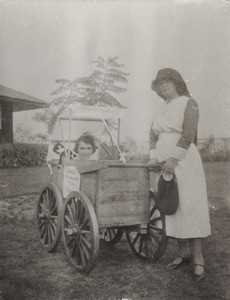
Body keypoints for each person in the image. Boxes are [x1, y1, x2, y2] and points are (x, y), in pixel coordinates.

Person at [149, 68, 211, 282]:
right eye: (160, 83)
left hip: (184, 161)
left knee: (191, 207)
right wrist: (153, 156)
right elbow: (152, 135)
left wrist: (173, 160)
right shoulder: (160, 108)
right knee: (171, 205)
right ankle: (182, 253)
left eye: (168, 81)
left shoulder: (188, 102)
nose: (164, 85)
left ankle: (198, 259)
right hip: (163, 161)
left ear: (177, 83)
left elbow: (188, 134)